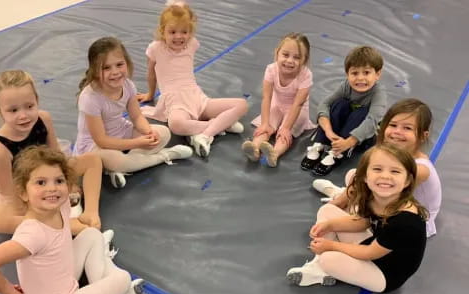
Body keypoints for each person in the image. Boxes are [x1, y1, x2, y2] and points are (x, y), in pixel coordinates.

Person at [0, 146, 143, 294]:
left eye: (59, 181)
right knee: (122, 278)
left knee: (91, 234)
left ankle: (102, 290)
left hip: (65, 276)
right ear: (23, 192)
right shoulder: (32, 233)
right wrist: (8, 290)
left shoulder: (61, 206)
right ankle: (112, 290)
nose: (52, 189)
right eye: (41, 183)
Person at [0, 70, 102, 234]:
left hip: (50, 172)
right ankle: (62, 226)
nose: (23, 115)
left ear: (37, 101)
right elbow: (7, 192)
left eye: (29, 106)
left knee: (92, 160)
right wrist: (35, 204)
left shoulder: (43, 119)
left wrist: (67, 183)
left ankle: (91, 213)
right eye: (13, 110)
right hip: (22, 188)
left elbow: (57, 157)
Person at [287, 144, 428, 293]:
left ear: (407, 181)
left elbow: (369, 253)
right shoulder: (375, 197)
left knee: (328, 259)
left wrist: (331, 246)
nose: (385, 176)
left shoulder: (405, 221)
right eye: (377, 169)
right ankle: (319, 263)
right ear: (365, 177)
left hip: (385, 274)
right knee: (327, 210)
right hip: (374, 245)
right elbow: (362, 222)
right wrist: (328, 226)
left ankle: (321, 268)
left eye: (395, 171)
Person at [74, 36, 193, 188]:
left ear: (127, 63)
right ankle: (166, 155)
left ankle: (121, 167)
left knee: (163, 133)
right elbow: (101, 140)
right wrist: (137, 142)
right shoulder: (90, 97)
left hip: (122, 131)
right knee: (115, 160)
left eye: (119, 64)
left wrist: (148, 132)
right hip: (94, 146)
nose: (115, 72)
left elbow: (136, 116)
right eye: (106, 68)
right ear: (95, 71)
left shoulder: (128, 85)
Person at [313, 98, 441, 237]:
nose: (397, 132)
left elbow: (379, 203)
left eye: (407, 128)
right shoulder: (391, 154)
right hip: (389, 199)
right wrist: (340, 201)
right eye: (393, 125)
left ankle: (345, 205)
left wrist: (340, 205)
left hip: (405, 220)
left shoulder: (419, 169)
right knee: (355, 174)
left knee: (335, 216)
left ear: (423, 135)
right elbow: (361, 178)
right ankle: (342, 198)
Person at [137, 0, 248, 157]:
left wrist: (181, 11)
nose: (179, 36)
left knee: (241, 104)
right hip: (175, 101)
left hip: (196, 97)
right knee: (175, 124)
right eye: (172, 32)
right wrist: (150, 94)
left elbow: (186, 15)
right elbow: (151, 72)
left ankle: (207, 131)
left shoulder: (191, 44)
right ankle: (217, 125)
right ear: (163, 31)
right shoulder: (156, 48)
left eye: (184, 32)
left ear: (190, 31)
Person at [301, 46, 387, 176]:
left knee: (362, 112)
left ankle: (338, 153)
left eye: (366, 72)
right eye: (355, 73)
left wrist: (349, 142)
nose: (360, 78)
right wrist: (328, 131)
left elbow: (372, 121)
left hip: (362, 136)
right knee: (339, 104)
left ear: (377, 74)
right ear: (347, 74)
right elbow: (324, 104)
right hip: (342, 129)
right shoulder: (346, 86)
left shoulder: (378, 94)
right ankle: (321, 143)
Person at [241, 32, 314, 167]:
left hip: (297, 111)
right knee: (266, 128)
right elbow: (266, 97)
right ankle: (255, 149)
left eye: (297, 57)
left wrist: (286, 128)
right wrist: (264, 123)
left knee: (284, 135)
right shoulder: (271, 69)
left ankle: (275, 153)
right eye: (285, 55)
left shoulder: (305, 75)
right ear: (277, 53)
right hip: (277, 105)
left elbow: (298, 104)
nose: (290, 61)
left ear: (304, 59)